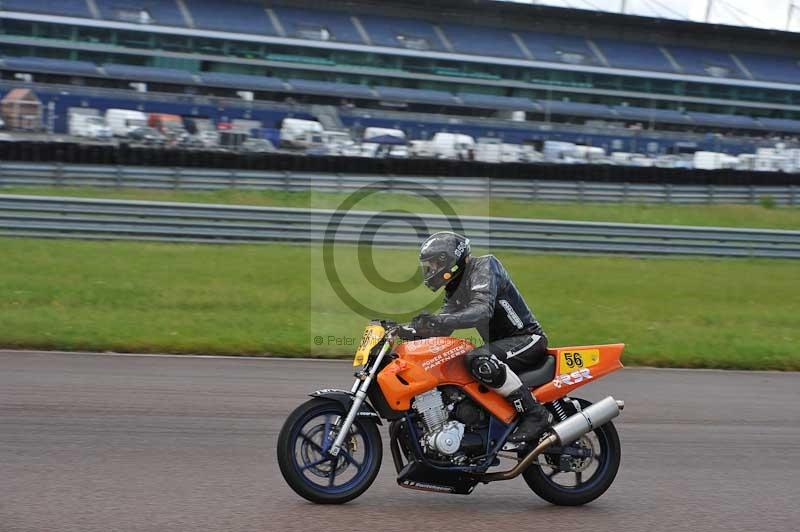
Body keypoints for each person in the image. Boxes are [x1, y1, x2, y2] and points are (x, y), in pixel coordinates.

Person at [411, 231, 553, 443]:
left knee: (478, 358)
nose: (429, 271)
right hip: (500, 345)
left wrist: (440, 321)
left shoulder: (484, 267)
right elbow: (442, 325)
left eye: (432, 265)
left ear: (448, 262)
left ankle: (535, 414)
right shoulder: (455, 287)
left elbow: (481, 310)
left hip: (527, 339)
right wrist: (407, 331)